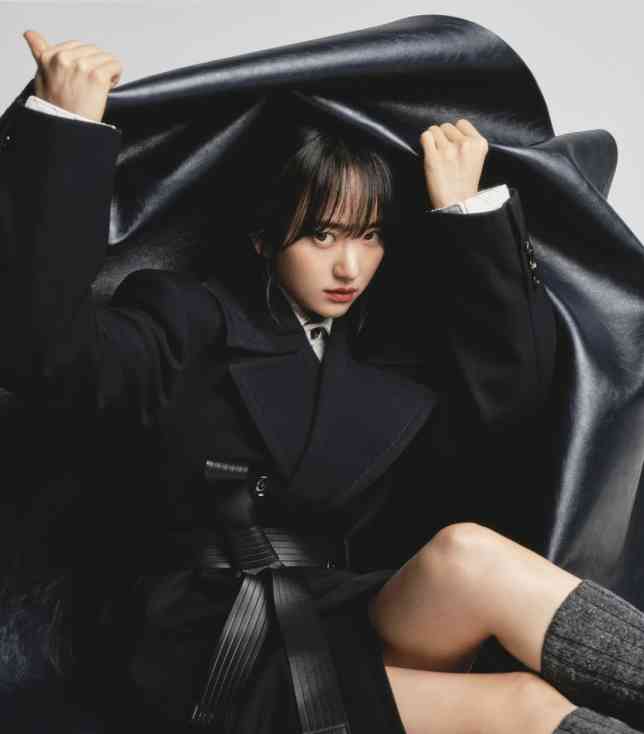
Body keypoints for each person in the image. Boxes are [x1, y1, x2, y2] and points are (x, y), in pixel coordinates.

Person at [2, 29, 641, 734]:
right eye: (322, 235)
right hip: (206, 648)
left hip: (335, 611)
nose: (349, 268)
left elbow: (512, 399)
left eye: (371, 235)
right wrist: (64, 136)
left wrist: (468, 213)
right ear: (262, 236)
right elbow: (47, 355)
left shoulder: (384, 350)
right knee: (523, 706)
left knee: (467, 554)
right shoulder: (187, 315)